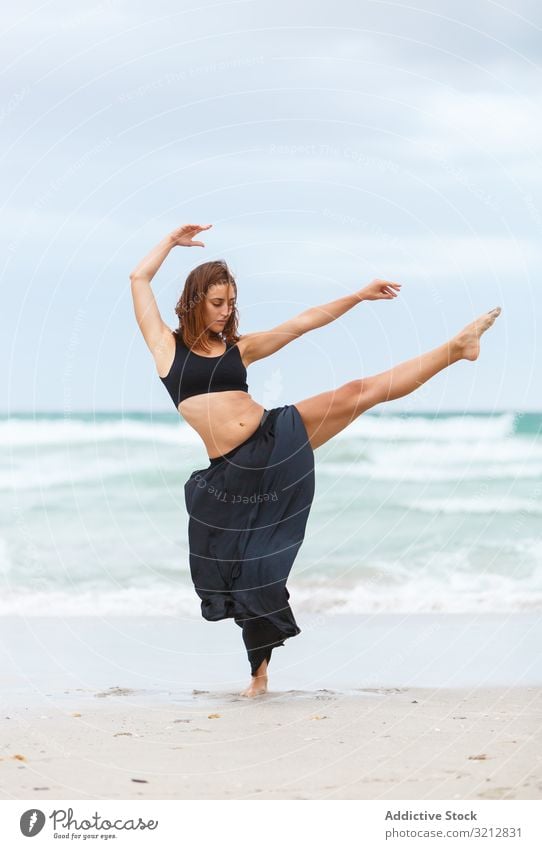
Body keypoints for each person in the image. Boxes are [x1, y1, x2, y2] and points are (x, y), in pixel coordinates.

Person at [130, 223, 502, 698]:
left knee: (357, 392)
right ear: (195, 299)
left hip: (275, 437)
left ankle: (455, 349)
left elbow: (305, 321)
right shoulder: (167, 347)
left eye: (230, 303)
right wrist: (169, 242)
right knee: (254, 572)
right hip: (234, 471)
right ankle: (259, 678)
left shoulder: (240, 349)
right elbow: (138, 280)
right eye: (217, 303)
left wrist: (359, 296)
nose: (225, 312)